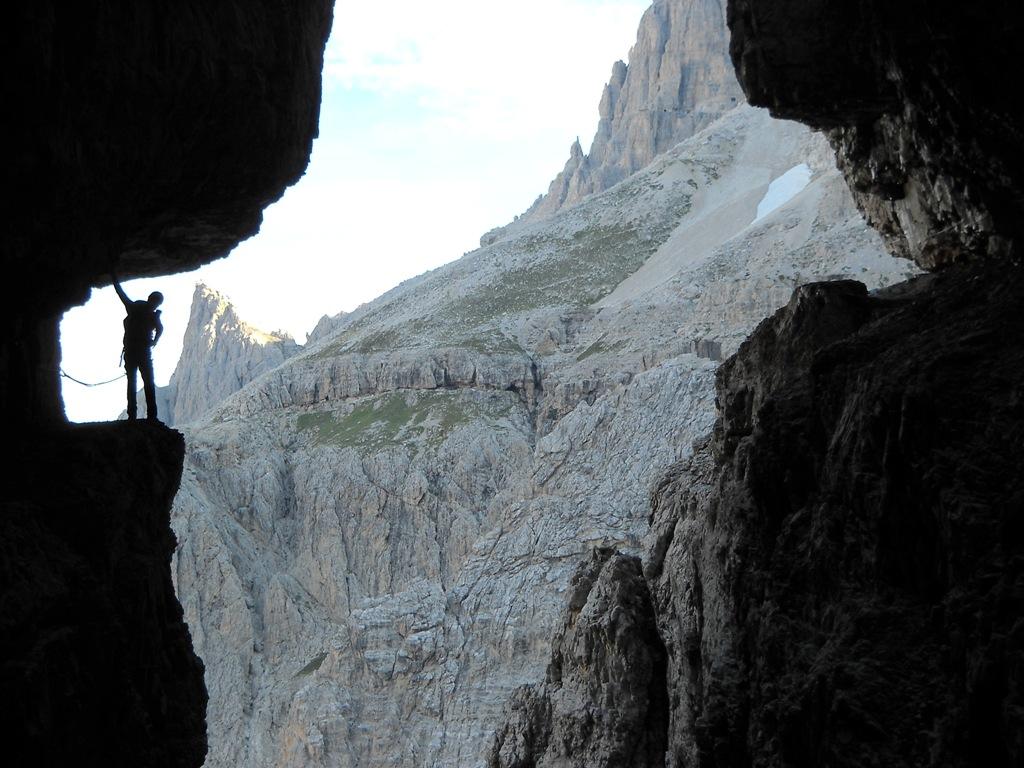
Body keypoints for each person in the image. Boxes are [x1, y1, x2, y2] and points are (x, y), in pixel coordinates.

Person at [112, 273, 163, 421]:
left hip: (131, 352)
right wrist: (155, 341)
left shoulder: (133, 308)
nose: (156, 305)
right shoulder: (152, 315)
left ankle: (132, 416)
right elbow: (160, 329)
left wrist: (114, 280)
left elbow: (121, 294)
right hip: (143, 353)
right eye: (157, 303)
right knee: (148, 383)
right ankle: (151, 416)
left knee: (132, 383)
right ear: (154, 302)